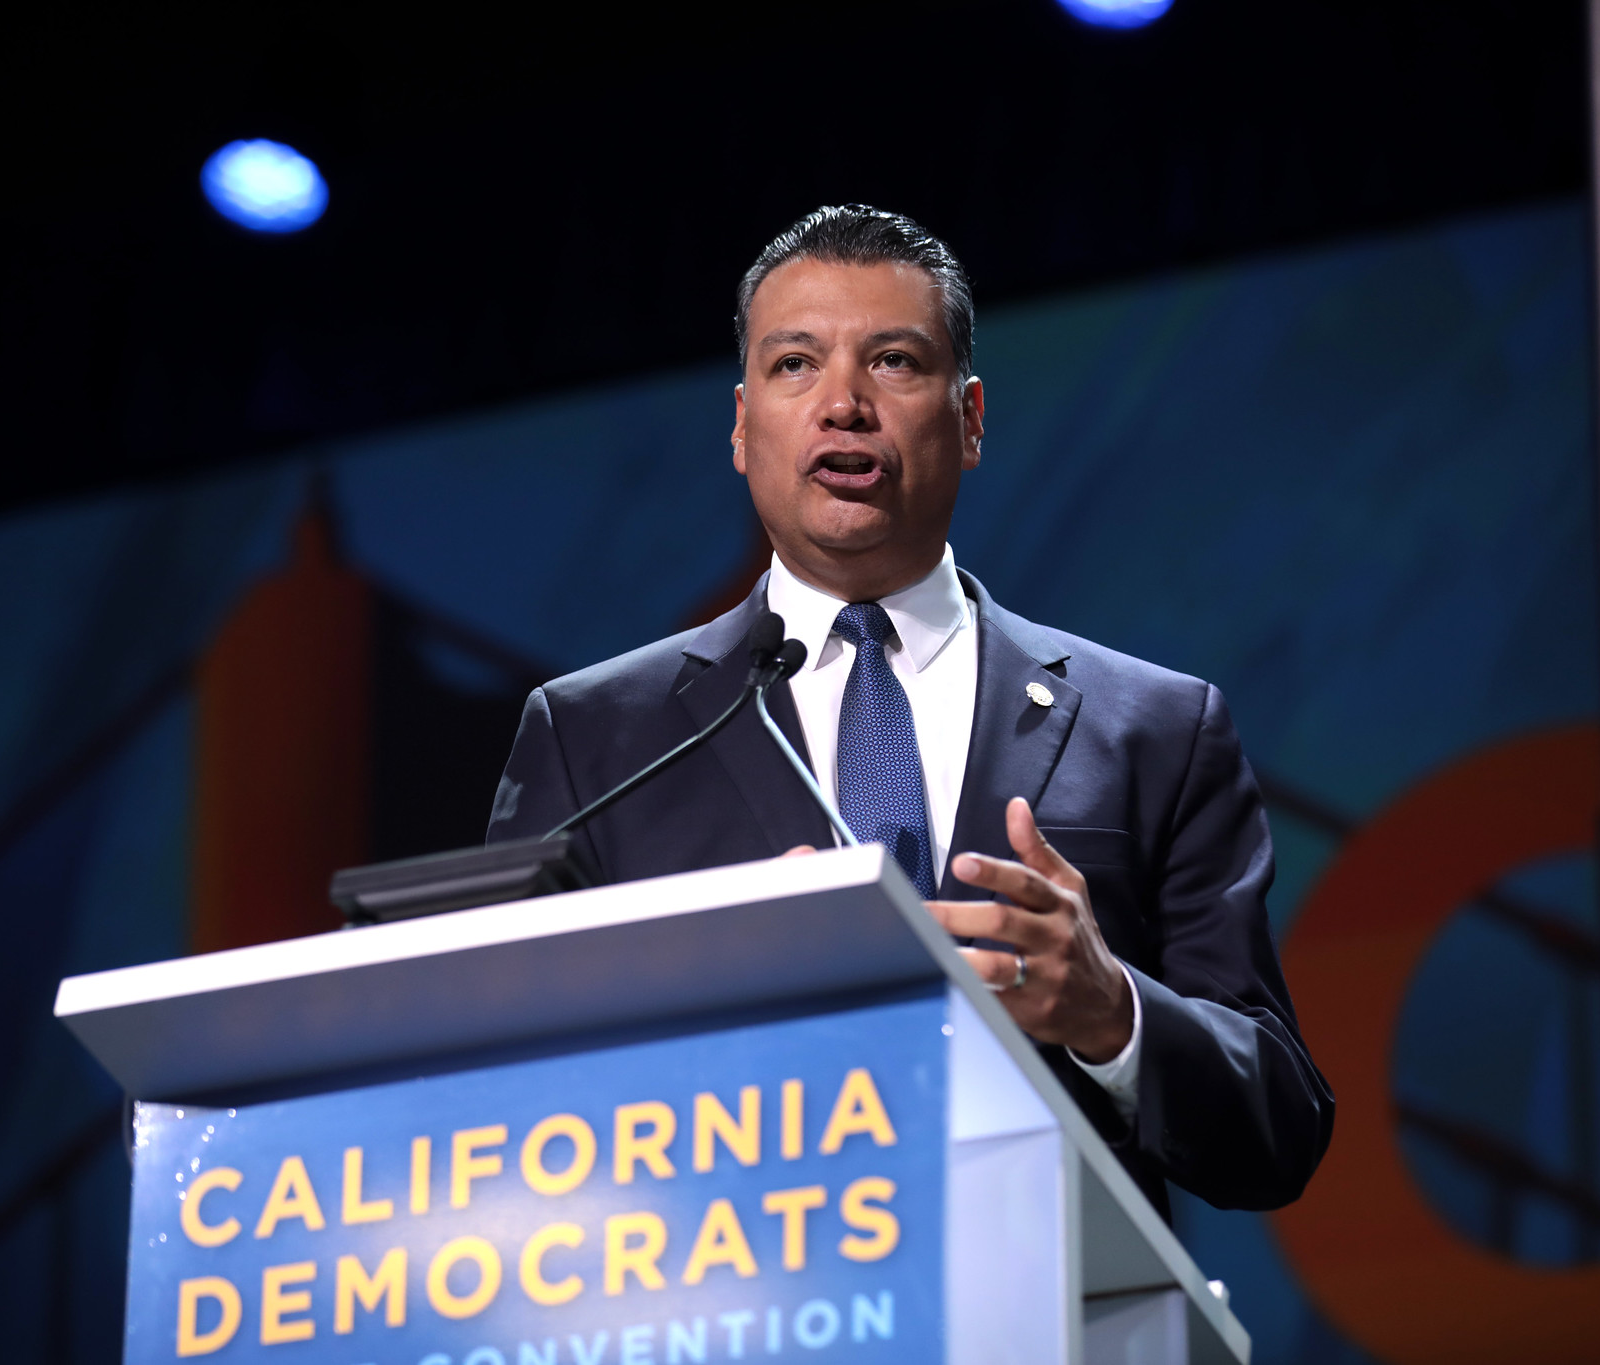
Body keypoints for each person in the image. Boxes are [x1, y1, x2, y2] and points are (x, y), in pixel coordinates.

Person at [487, 205, 1332, 1218]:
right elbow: (495, 1095)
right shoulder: (593, 737)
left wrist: (1110, 1013)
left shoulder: (1155, 728)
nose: (841, 404)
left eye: (891, 361)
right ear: (741, 427)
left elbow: (1278, 1124)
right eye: (793, 365)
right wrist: (703, 991)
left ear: (969, 420)